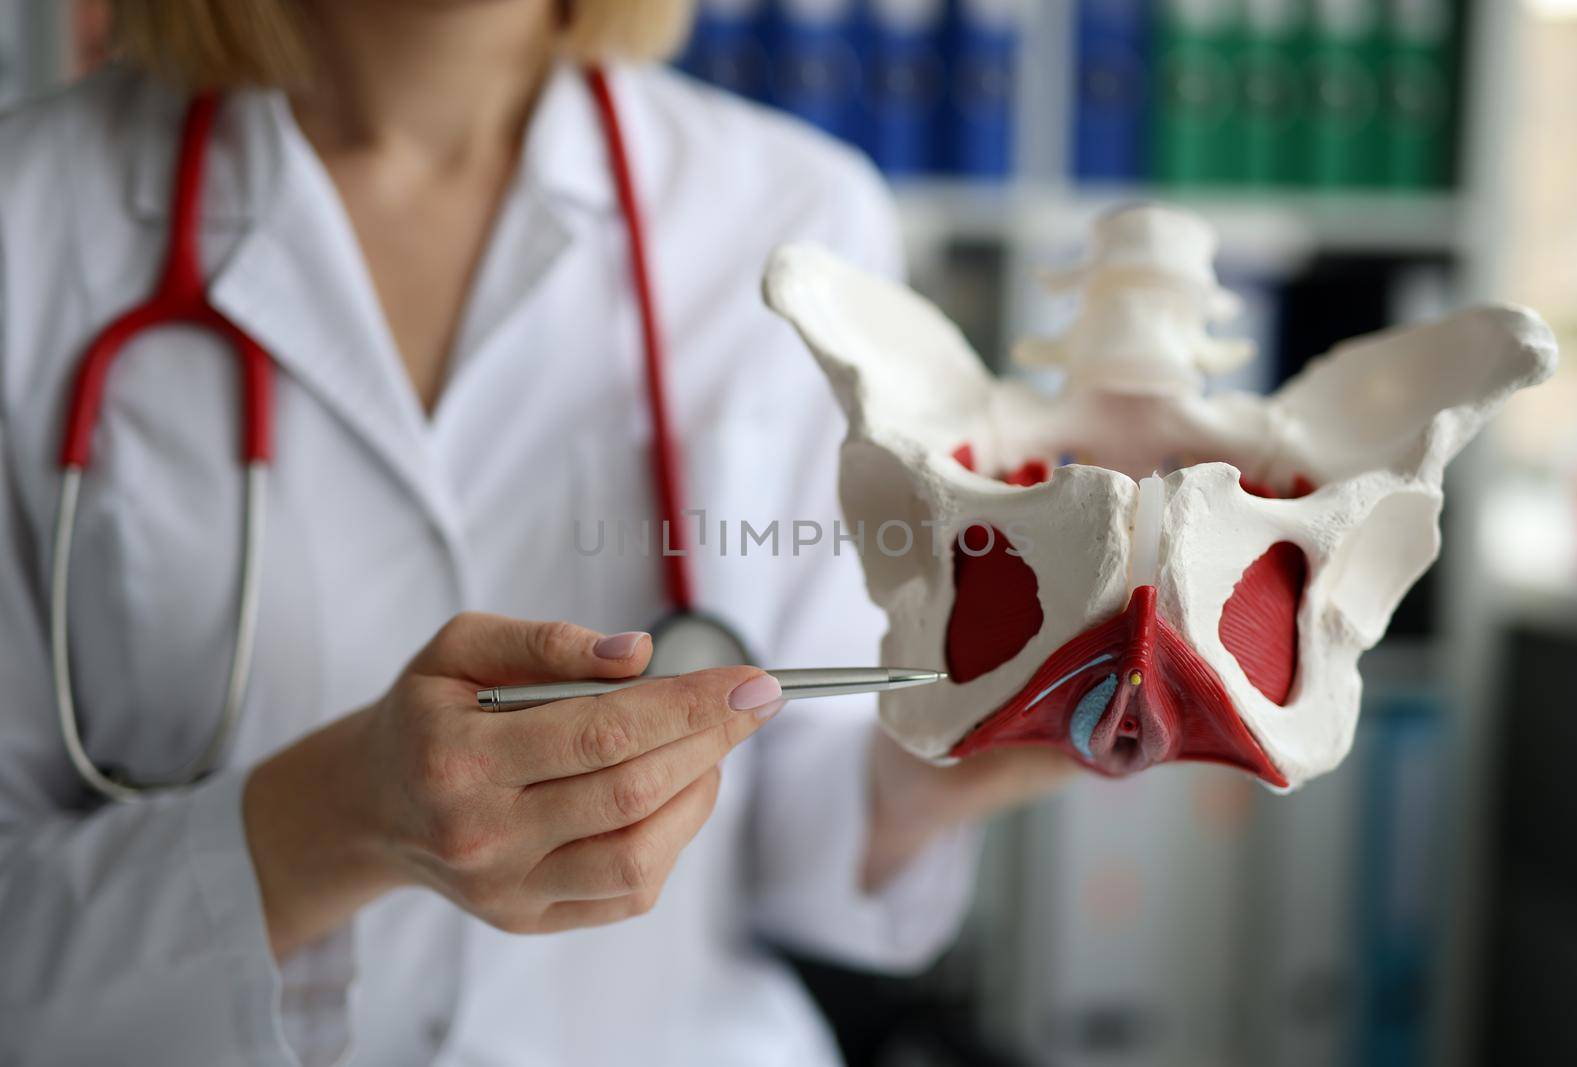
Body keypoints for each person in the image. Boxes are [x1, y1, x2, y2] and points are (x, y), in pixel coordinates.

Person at [0, 2, 1075, 1063]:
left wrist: (950, 759)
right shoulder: (31, 221)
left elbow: (804, 852)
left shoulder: (799, 219)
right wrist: (339, 817)